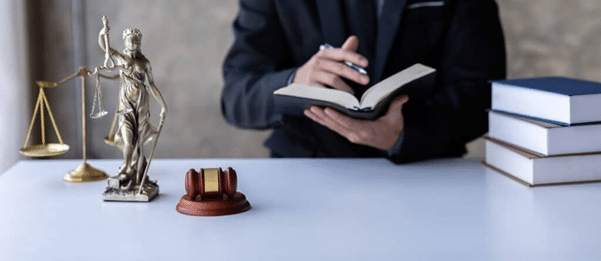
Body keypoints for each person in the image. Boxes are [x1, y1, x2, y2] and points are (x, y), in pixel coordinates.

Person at [221, 0, 506, 163]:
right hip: (306, 169)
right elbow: (236, 95)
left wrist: (404, 134)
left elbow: (482, 93)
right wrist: (297, 80)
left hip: (425, 168)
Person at [98, 26, 167, 188]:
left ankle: (137, 173)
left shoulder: (144, 63)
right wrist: (103, 32)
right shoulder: (121, 58)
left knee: (139, 142)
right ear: (125, 41)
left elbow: (152, 86)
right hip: (126, 104)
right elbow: (104, 46)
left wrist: (163, 106)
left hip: (141, 104)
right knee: (127, 139)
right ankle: (127, 167)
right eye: (130, 41)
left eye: (137, 41)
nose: (134, 44)